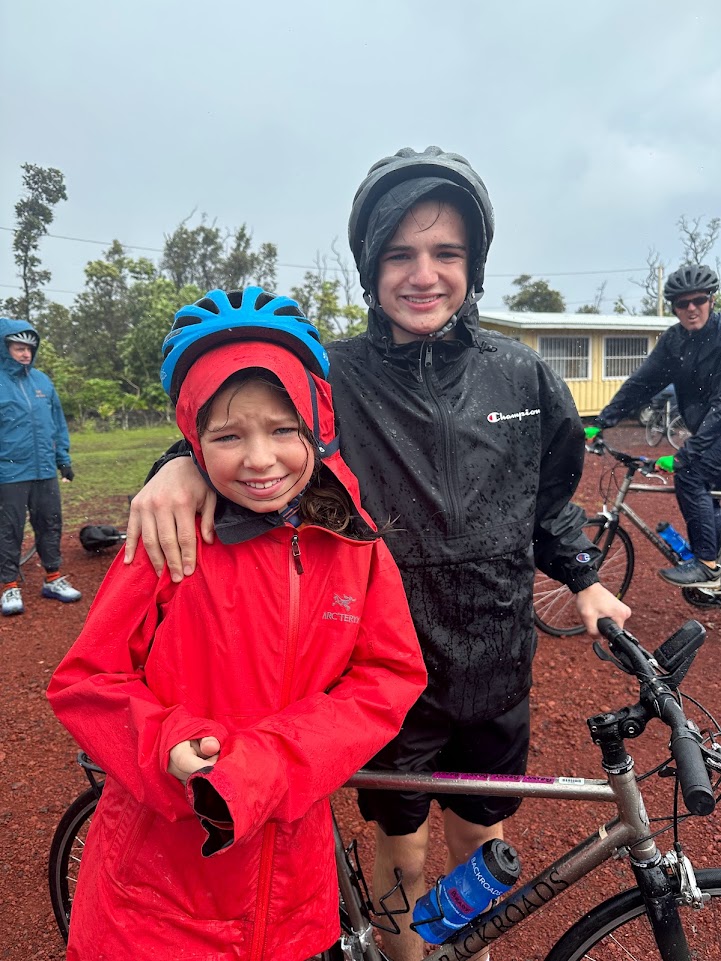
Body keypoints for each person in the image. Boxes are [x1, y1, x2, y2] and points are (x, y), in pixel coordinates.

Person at [124, 147, 630, 960]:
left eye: (446, 254)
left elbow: (546, 501)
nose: (423, 274)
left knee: (480, 832)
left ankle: (472, 947)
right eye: (400, 254)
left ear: (474, 265)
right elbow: (243, 434)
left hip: (499, 656)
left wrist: (583, 579)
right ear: (369, 264)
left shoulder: (523, 376)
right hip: (381, 666)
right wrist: (177, 464)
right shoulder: (332, 379)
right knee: (405, 844)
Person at [47, 287, 426, 961]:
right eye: (227, 436)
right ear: (192, 439)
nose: (259, 458)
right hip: (152, 903)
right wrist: (166, 740)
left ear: (318, 421)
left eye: (283, 430)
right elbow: (86, 679)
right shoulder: (170, 538)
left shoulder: (350, 542)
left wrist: (270, 762)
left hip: (291, 899)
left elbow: (387, 674)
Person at [593, 264, 721, 590]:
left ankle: (707, 565)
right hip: (706, 427)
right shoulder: (674, 342)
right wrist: (603, 421)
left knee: (691, 473)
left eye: (698, 300)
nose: (691, 309)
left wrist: (684, 456)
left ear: (711, 299)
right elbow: (642, 383)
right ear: (674, 307)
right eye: (682, 303)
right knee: (712, 495)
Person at [0, 318, 80, 616]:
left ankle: (53, 578)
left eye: (29, 349)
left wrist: (64, 461)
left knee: (50, 522)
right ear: (4, 348)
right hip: (8, 472)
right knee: (8, 529)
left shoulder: (42, 382)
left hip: (44, 469)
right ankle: (8, 586)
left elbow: (57, 424)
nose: (25, 354)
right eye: (18, 347)